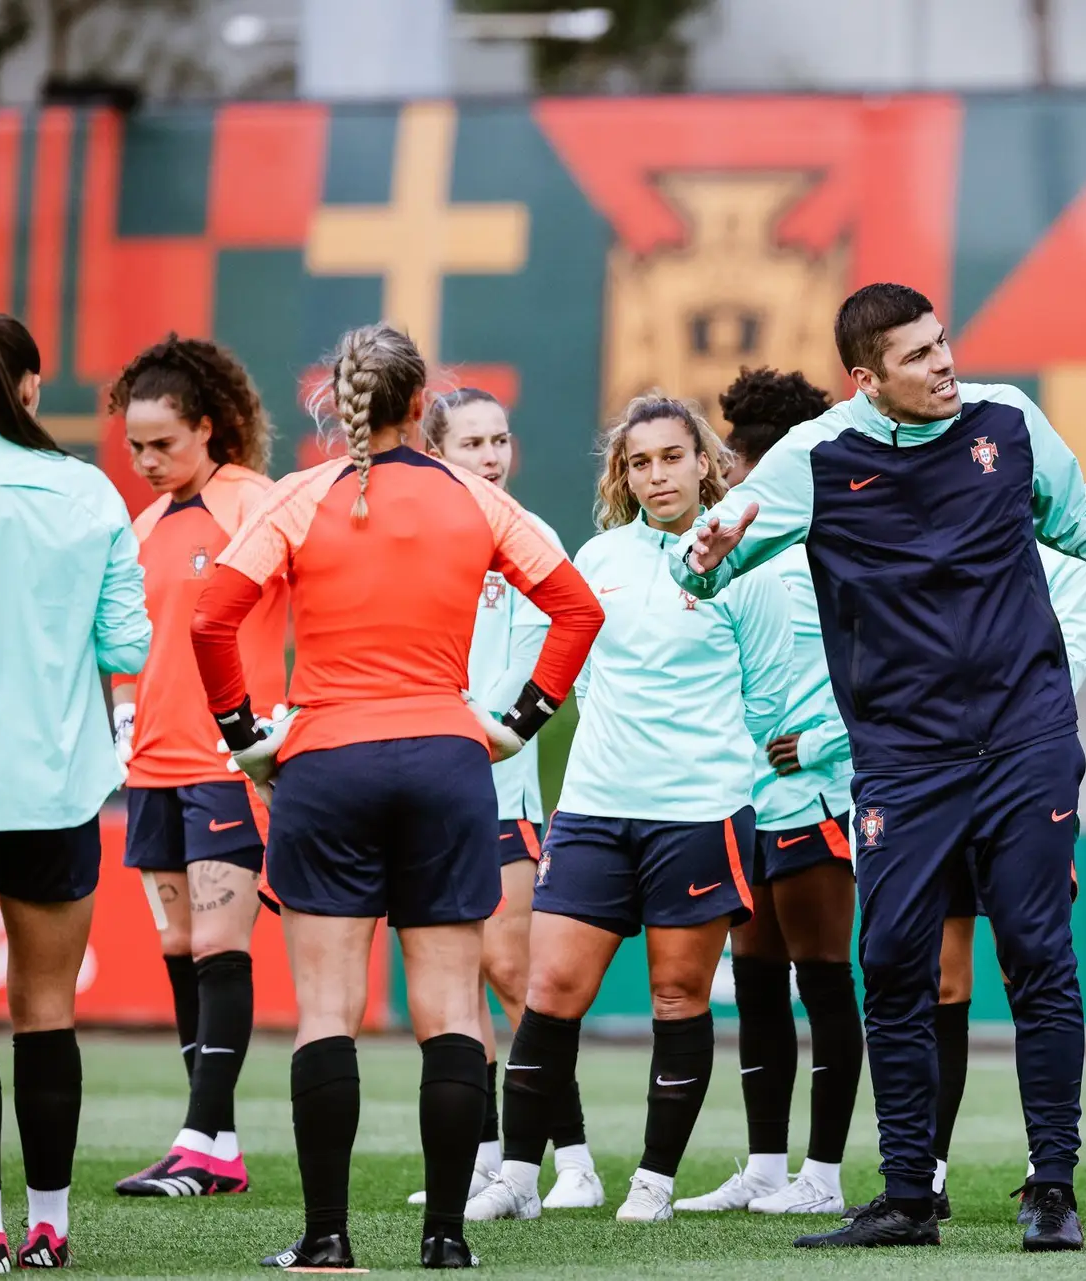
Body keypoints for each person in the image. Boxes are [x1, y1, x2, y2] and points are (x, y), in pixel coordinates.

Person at [673, 283, 1086, 1252]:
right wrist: (701, 552)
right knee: (892, 963)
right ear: (866, 378)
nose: (944, 364)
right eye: (919, 356)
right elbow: (703, 569)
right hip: (901, 756)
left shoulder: (1008, 424)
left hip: (1025, 740)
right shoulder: (817, 457)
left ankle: (1051, 1188)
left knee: (1039, 958)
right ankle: (907, 1198)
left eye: (943, 343)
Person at [190, 324, 603, 1271]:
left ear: (339, 408)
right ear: (426, 407)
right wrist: (517, 722)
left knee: (328, 1010)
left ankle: (327, 1238)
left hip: (326, 762)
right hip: (447, 764)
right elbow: (578, 609)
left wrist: (250, 739)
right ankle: (447, 1237)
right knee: (453, 1008)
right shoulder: (475, 497)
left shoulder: (300, 497)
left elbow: (214, 615)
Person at [464, 394, 791, 1227]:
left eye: (671, 457)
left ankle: (654, 1180)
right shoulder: (599, 555)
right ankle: (518, 1178)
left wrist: (725, 765)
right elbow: (562, 668)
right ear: (624, 474)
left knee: (679, 999)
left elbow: (770, 697)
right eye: (639, 462)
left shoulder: (744, 563)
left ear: (703, 462)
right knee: (549, 989)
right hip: (595, 810)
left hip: (698, 814)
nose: (657, 475)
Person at [0, 312, 151, 1272]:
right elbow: (127, 646)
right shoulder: (88, 490)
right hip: (60, 788)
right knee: (46, 1010)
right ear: (30, 384)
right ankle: (51, 1225)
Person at [674, 368, 863, 1217]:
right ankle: (763, 1165)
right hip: (743, 793)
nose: (730, 470)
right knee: (755, 983)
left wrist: (822, 745)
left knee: (824, 979)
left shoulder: (830, 540)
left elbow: (874, 669)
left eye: (735, 454)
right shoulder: (736, 547)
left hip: (811, 794)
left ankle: (822, 1175)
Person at [106, 335, 288, 1200]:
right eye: (135, 445)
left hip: (226, 765)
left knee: (219, 946)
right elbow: (129, 646)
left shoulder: (256, 503)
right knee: (181, 947)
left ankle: (201, 1140)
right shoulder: (140, 526)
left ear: (210, 428)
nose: (146, 461)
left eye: (163, 444)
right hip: (150, 770)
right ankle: (213, 1143)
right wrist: (119, 714)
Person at [409, 387, 600, 1212]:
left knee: (514, 971)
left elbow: (575, 647)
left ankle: (575, 1163)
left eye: (501, 440)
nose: (491, 456)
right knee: (456, 980)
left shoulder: (532, 540)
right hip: (425, 785)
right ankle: (488, 1158)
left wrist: (517, 725)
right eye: (473, 443)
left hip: (499, 787)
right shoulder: (418, 536)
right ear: (435, 451)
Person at [921, 541, 1086, 1223]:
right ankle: (923, 1175)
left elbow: (1065, 667)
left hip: (1026, 770)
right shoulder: (929, 525)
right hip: (931, 771)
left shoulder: (1072, 554)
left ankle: (1049, 1178)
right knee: (935, 975)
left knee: (1035, 960)